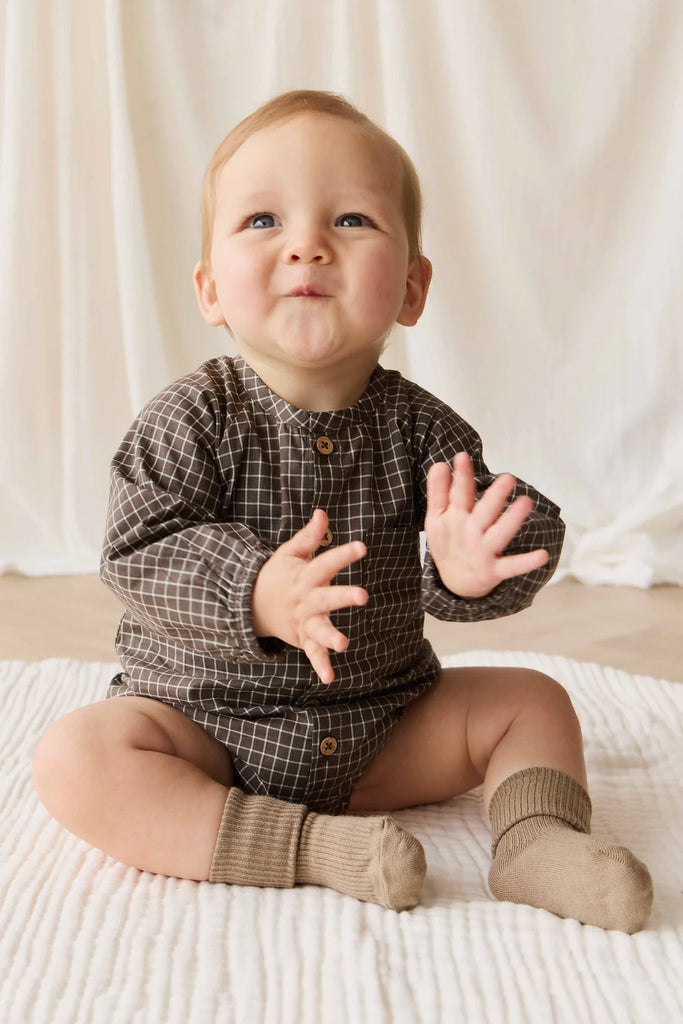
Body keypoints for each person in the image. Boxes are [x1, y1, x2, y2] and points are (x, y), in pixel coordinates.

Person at [32, 90, 653, 932]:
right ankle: (307, 849)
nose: (307, 246)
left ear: (411, 288)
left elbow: (505, 521)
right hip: (207, 730)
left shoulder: (421, 428)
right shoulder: (191, 418)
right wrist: (255, 591)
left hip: (382, 728)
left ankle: (536, 841)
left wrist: (471, 568)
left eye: (351, 220)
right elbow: (138, 550)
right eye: (262, 221)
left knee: (531, 700)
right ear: (210, 289)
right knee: (77, 758)